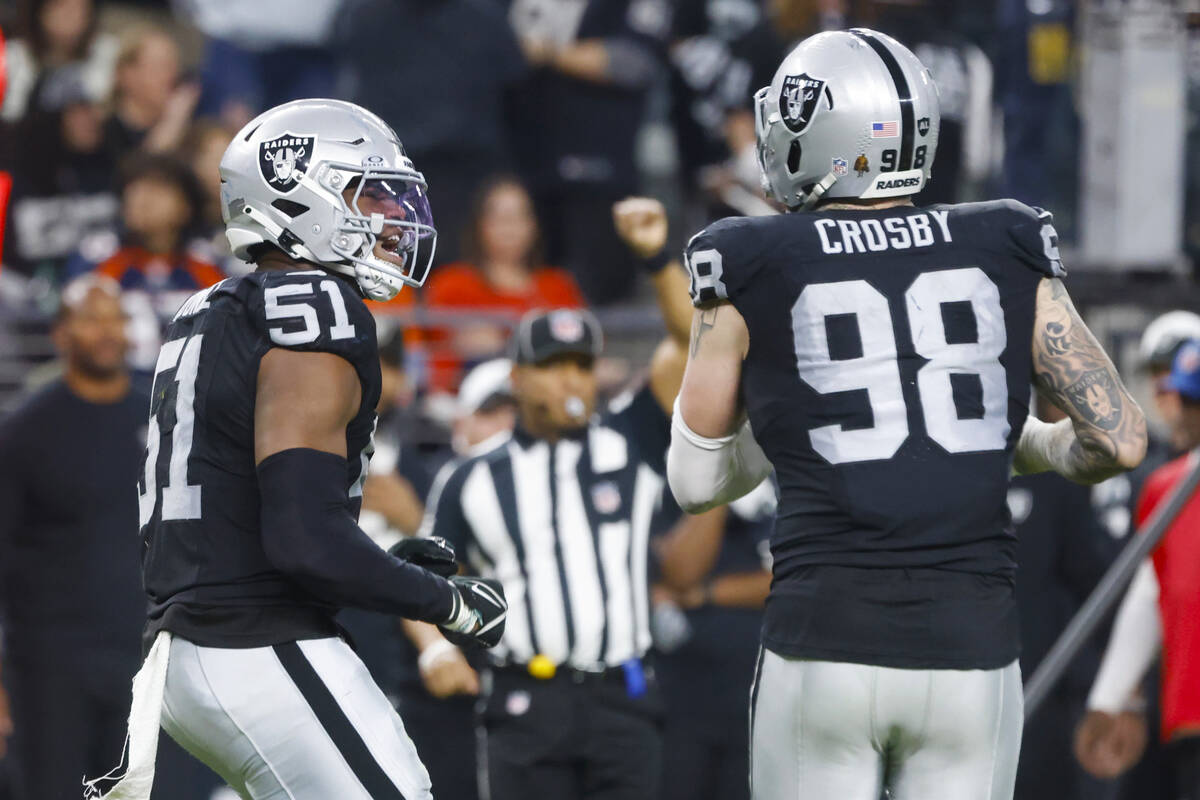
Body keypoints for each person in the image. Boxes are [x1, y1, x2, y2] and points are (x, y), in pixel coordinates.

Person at [668, 28, 1147, 800]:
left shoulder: (750, 256)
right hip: (973, 650)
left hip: (826, 643)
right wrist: (1017, 445)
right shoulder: (1005, 237)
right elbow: (1120, 439)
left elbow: (695, 480)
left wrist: (791, 426)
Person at [86, 98, 507, 800]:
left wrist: (377, 565)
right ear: (298, 193)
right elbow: (303, 539)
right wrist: (445, 602)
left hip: (186, 650)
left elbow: (259, 509)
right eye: (365, 192)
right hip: (255, 646)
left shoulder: (211, 307)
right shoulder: (316, 306)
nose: (388, 217)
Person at [419, 197, 694, 800]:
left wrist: (655, 256)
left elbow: (689, 344)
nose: (571, 378)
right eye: (553, 365)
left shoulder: (633, 441)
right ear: (517, 378)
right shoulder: (472, 478)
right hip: (525, 699)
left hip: (624, 698)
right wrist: (436, 649)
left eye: (581, 364)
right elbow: (424, 579)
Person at [0, 275, 219, 800]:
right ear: (61, 334)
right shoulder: (23, 433)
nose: (106, 330)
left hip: (145, 661)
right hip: (50, 667)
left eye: (115, 317)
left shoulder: (165, 421)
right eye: (90, 318)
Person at [1076, 339, 1200, 800]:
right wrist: (1110, 700)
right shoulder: (1165, 488)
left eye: (1193, 401)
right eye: (1178, 396)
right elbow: (1150, 596)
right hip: (1190, 715)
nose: (1180, 411)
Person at [650, 480, 775, 800]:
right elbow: (680, 573)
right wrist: (720, 482)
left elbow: (795, 580)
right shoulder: (674, 477)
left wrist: (708, 593)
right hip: (685, 696)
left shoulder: (791, 470)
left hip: (766, 696)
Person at [418, 175, 586, 391]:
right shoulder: (451, 284)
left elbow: (580, 350)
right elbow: (431, 357)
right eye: (500, 218)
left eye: (519, 217)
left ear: (533, 225)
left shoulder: (557, 286)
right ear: (480, 224)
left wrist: (503, 344)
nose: (510, 228)